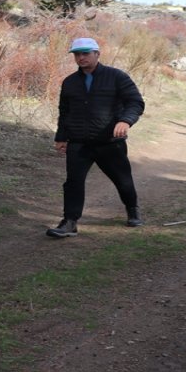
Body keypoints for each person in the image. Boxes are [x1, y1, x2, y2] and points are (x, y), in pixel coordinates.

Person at [47, 37, 146, 237]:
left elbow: (135, 102)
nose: (81, 57)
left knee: (122, 179)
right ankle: (69, 222)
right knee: (73, 182)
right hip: (79, 143)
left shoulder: (117, 76)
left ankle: (132, 209)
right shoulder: (70, 82)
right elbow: (64, 111)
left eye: (85, 53)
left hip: (109, 142)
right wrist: (61, 137)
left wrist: (125, 121)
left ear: (97, 54)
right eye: (77, 54)